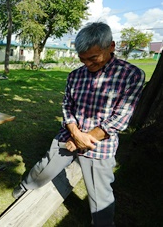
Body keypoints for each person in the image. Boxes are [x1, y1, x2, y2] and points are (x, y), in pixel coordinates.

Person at [12, 22, 145, 226]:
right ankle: (24, 188)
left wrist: (84, 139)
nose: (88, 65)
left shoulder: (132, 75)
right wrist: (74, 133)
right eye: (83, 59)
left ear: (111, 46)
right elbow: (67, 106)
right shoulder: (75, 75)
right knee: (44, 168)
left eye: (93, 58)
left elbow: (120, 118)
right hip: (69, 137)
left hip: (100, 146)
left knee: (100, 196)